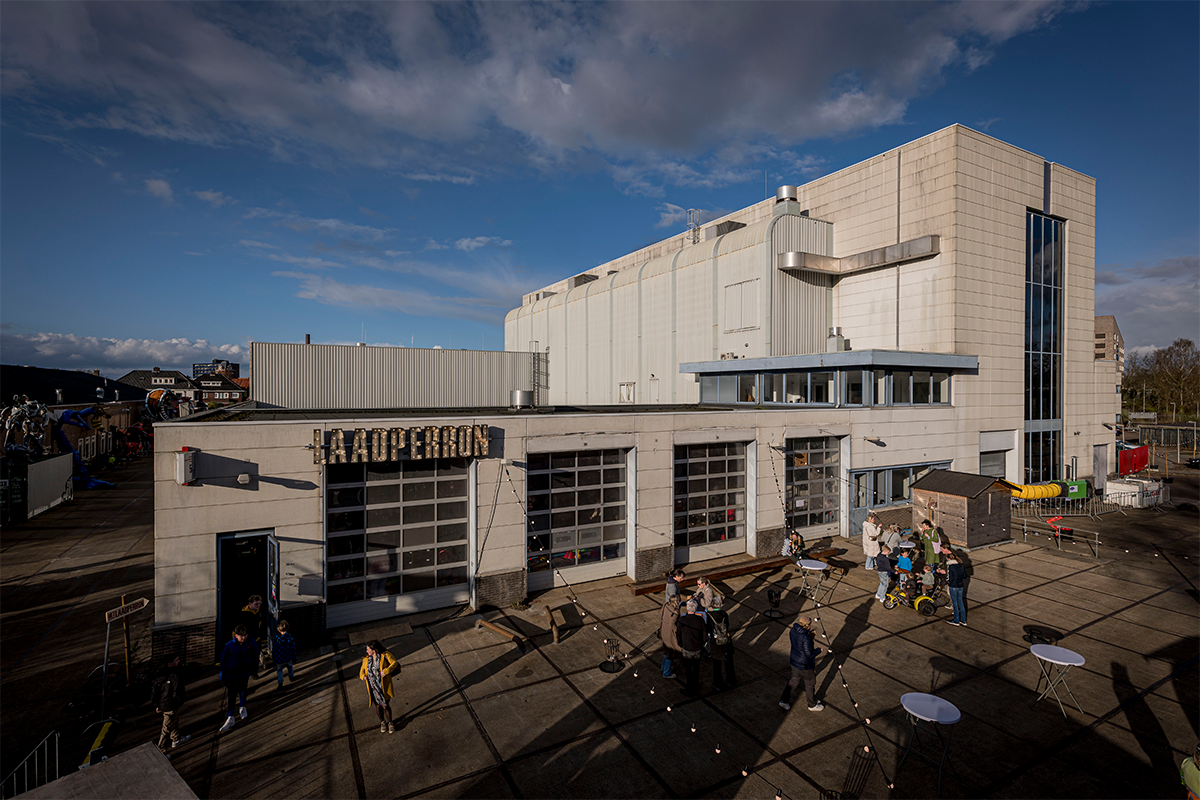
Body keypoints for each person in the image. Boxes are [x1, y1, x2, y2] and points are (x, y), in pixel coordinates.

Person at [218, 625, 259, 733]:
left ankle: (242, 706)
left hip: (244, 672)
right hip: (232, 674)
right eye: (241, 636)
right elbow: (223, 659)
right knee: (231, 695)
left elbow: (255, 656)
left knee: (243, 690)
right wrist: (222, 672)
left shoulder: (252, 643)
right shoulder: (229, 646)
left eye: (245, 636)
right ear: (236, 635)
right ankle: (230, 716)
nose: (244, 638)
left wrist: (254, 670)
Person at [778, 615, 824, 711]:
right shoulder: (806, 637)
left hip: (794, 662)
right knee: (810, 683)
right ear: (807, 625)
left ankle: (784, 701)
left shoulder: (793, 631)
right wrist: (818, 650)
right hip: (805, 665)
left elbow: (798, 644)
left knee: (794, 681)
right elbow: (809, 654)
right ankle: (812, 705)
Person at [151, 655, 190, 752]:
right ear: (170, 664)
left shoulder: (159, 675)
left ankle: (175, 738)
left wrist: (156, 704)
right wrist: (178, 702)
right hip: (171, 704)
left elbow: (155, 691)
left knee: (174, 720)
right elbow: (177, 691)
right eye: (176, 660)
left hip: (164, 704)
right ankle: (161, 749)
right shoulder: (175, 675)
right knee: (166, 728)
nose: (178, 661)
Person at [359, 640, 400, 734]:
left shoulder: (385, 655)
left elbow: (394, 663)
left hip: (383, 686)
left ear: (374, 649)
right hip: (373, 688)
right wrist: (363, 677)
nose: (366, 651)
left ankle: (390, 723)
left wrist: (386, 671)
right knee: (378, 706)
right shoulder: (366, 659)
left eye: (368, 649)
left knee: (385, 705)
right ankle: (382, 722)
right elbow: (361, 670)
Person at [676, 600, 708, 695]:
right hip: (697, 647)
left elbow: (678, 634)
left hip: (686, 647)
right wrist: (702, 643)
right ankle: (695, 684)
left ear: (687, 608)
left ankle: (690, 688)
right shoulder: (700, 620)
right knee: (696, 667)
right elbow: (705, 635)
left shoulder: (682, 620)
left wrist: (680, 644)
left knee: (688, 669)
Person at [707, 601, 736, 690]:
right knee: (729, 662)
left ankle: (718, 683)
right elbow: (727, 625)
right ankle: (731, 681)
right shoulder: (724, 614)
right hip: (726, 642)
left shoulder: (709, 616)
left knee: (717, 665)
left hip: (715, 643)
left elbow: (708, 629)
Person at [238, 595, 267, 672]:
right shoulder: (244, 615)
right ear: (250, 604)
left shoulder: (258, 611)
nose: (258, 606)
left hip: (257, 638)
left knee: (255, 656)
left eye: (259, 603)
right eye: (256, 604)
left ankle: (254, 672)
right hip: (249, 639)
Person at [659, 595, 682, 679]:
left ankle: (663, 666)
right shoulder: (676, 611)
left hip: (664, 630)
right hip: (670, 634)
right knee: (671, 653)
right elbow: (673, 625)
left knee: (666, 651)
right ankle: (666, 672)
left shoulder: (665, 605)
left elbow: (661, 614)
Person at [945, 549, 967, 627]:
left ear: (949, 559)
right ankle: (963, 620)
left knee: (955, 603)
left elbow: (950, 577)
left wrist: (949, 582)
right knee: (960, 602)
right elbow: (964, 575)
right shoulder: (960, 565)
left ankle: (956, 620)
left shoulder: (951, 567)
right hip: (960, 585)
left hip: (953, 585)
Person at [273, 619, 297, 689]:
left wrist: (274, 658)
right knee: (290, 667)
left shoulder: (276, 640)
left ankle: (280, 681)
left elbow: (274, 650)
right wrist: (294, 657)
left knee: (279, 670)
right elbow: (293, 648)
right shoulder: (290, 638)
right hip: (288, 657)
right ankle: (291, 677)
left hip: (279, 659)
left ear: (279, 630)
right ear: (288, 627)